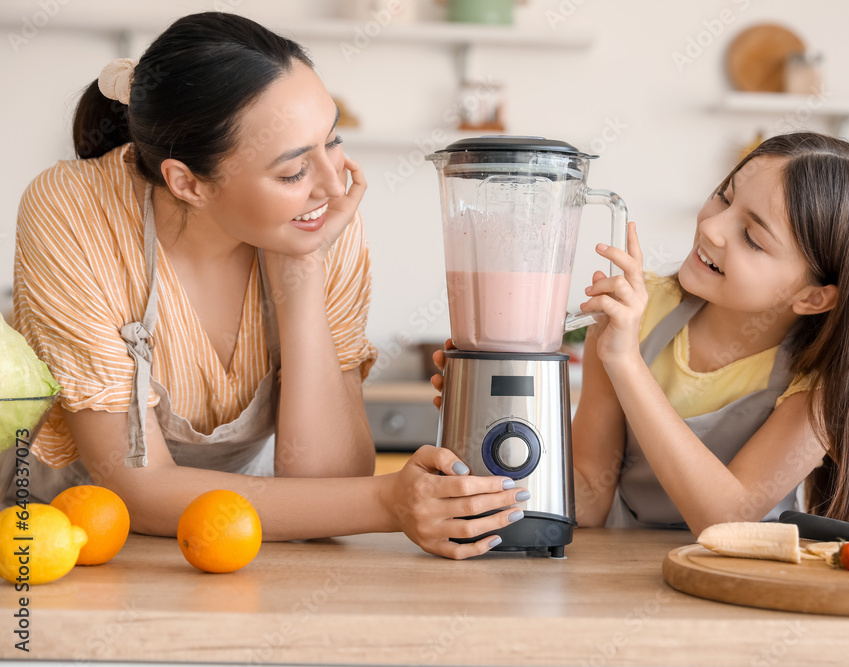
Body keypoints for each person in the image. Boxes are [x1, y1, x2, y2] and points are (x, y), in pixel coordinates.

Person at [3, 12, 528, 559]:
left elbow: (329, 480)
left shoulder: (315, 214)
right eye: (292, 172)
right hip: (75, 539)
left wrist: (299, 274)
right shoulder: (72, 211)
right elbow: (133, 484)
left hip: (245, 536)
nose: (334, 184)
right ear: (188, 183)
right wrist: (388, 502)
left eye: (333, 141)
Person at [571, 132, 849, 535]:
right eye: (724, 197)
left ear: (815, 296)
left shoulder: (821, 386)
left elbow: (724, 520)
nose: (712, 227)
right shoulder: (636, 314)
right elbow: (591, 495)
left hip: (743, 580)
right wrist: (504, 490)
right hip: (618, 571)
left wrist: (626, 364)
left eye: (752, 238)